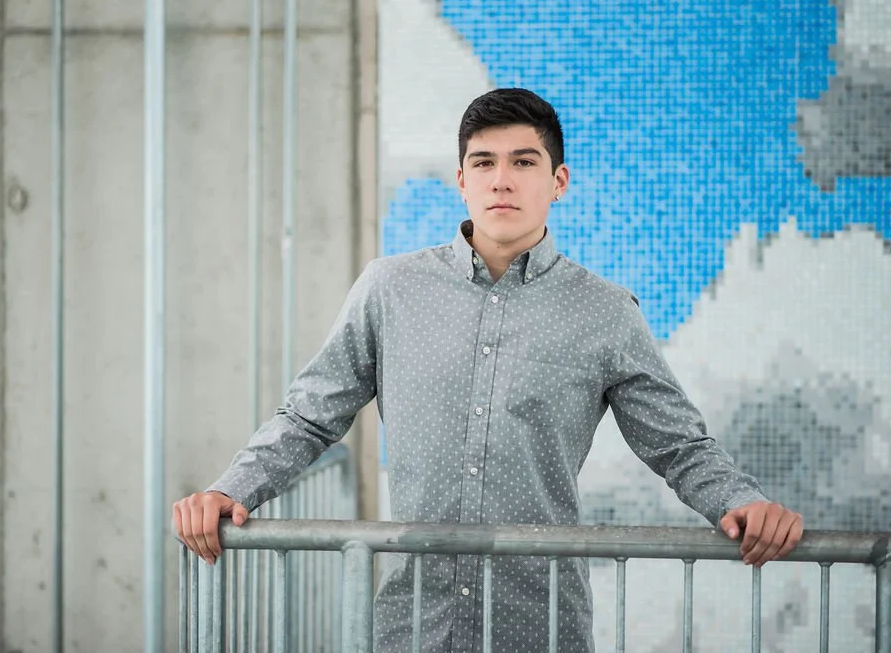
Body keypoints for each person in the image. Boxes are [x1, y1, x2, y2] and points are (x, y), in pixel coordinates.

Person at [173, 87, 804, 652]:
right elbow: (309, 417)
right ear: (461, 180)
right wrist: (233, 490)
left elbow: (679, 446)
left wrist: (740, 501)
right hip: (413, 623)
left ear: (558, 181)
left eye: (523, 162)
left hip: (541, 623)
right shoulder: (390, 289)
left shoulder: (606, 312)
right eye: (485, 162)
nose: (502, 179)